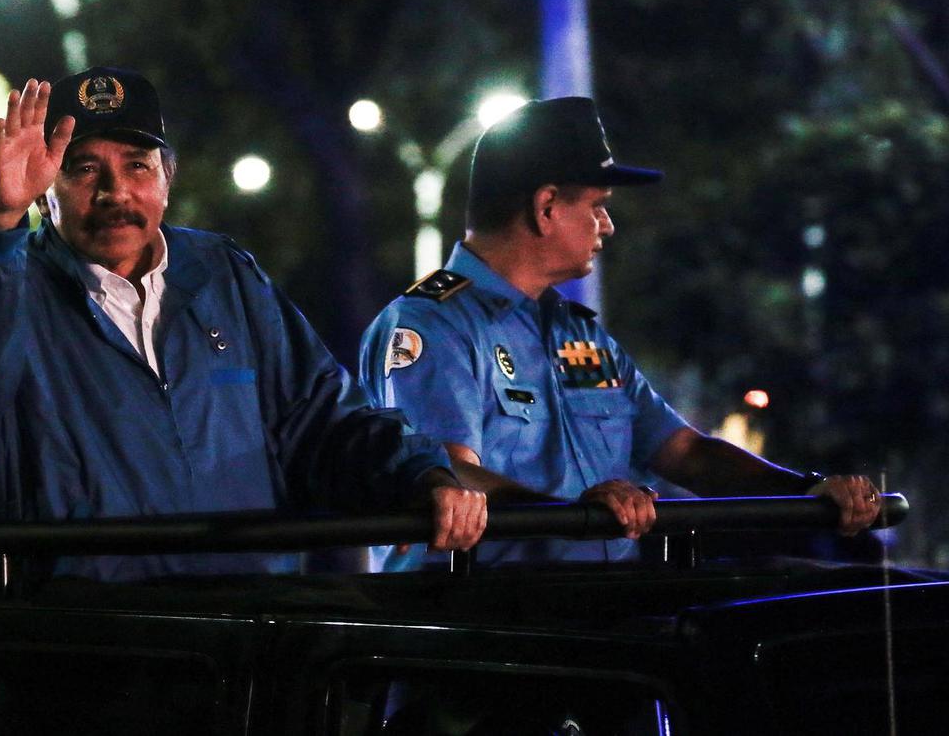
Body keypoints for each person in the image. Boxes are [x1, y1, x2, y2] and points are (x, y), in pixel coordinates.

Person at [0, 66, 485, 583]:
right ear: (47, 188)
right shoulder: (0, 281)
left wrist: (418, 474)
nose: (115, 192)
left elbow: (319, 419)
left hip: (244, 636)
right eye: (83, 169)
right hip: (79, 647)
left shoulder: (223, 274)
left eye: (137, 166)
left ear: (168, 178)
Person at [359, 96, 881, 569]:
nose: (606, 225)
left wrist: (811, 493)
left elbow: (685, 452)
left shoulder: (576, 333)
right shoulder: (433, 322)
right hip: (480, 625)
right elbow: (446, 473)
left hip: (598, 613)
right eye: (596, 205)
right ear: (545, 208)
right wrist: (575, 516)